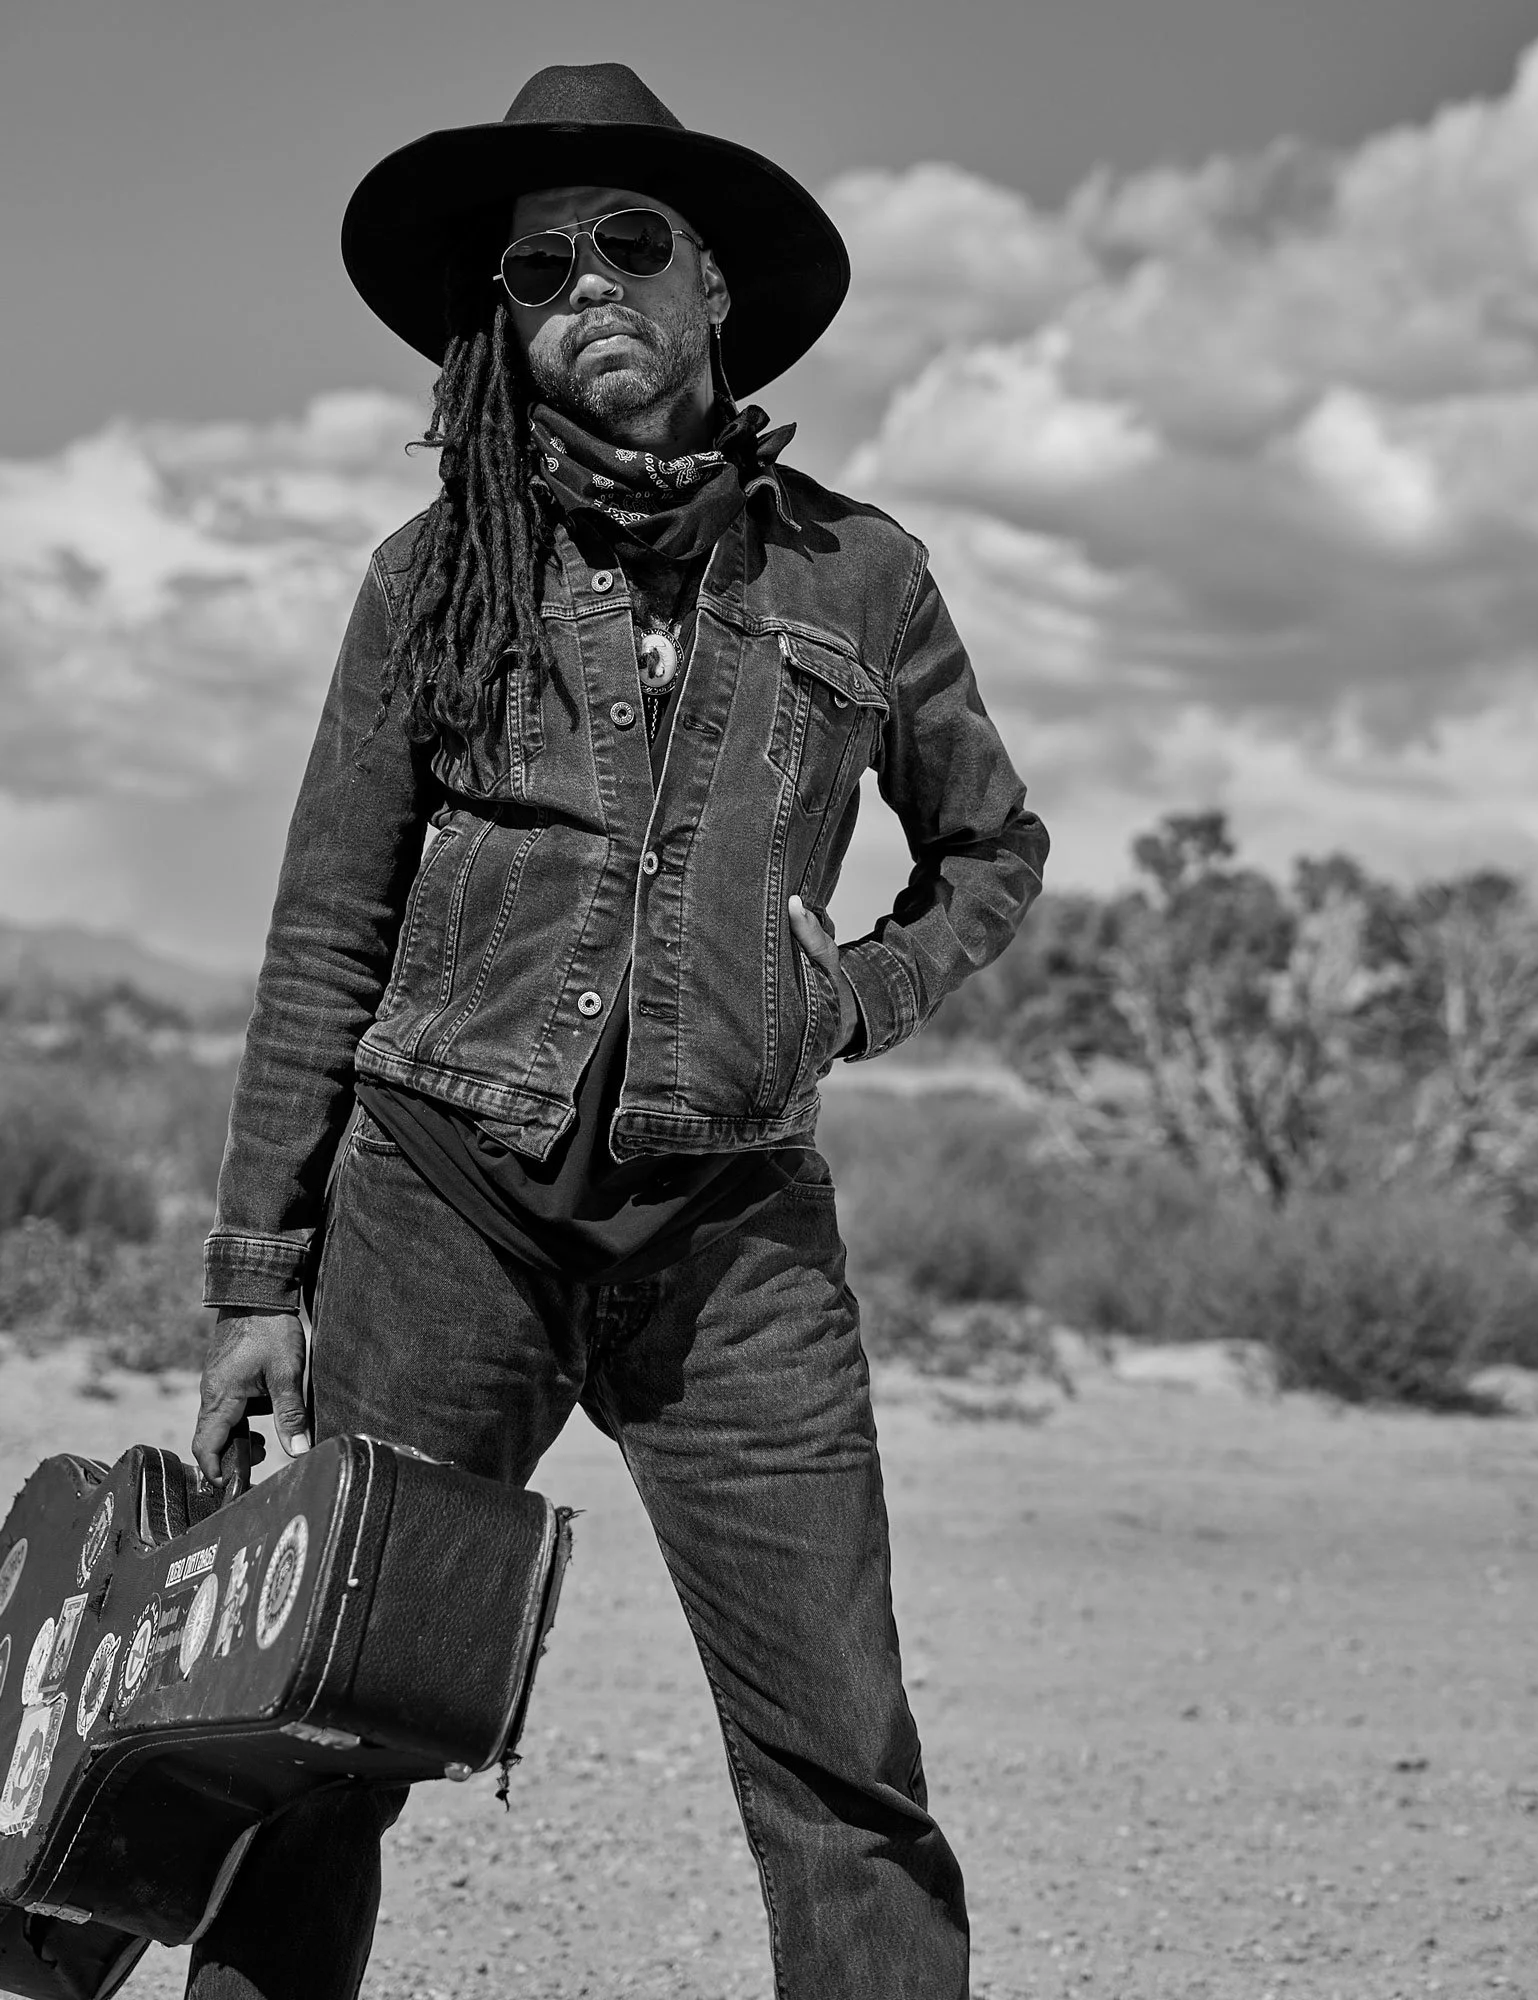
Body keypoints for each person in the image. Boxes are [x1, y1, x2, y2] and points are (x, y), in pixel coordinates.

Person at [190, 61, 1048, 2000]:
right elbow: (326, 925)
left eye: (625, 242)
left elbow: (992, 850)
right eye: (533, 264)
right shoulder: (434, 576)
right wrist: (261, 1275)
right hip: (439, 1220)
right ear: (499, 317)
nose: (581, 281)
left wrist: (857, 991)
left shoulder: (862, 577)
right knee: (321, 1738)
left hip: (729, 1244)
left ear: (713, 285)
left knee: (846, 1775)